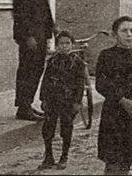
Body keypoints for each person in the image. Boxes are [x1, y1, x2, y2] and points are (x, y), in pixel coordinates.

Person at [96, 16, 132, 175]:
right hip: (114, 113)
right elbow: (101, 84)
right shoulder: (106, 56)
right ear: (115, 34)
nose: (129, 34)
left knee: (128, 157)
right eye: (124, 31)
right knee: (113, 158)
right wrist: (121, 99)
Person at [12, 0, 55, 121]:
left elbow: (45, 9)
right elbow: (20, 14)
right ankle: (23, 107)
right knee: (27, 70)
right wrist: (28, 36)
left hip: (41, 34)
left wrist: (52, 28)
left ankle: (28, 103)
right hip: (30, 36)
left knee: (37, 69)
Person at [39, 30, 89, 170]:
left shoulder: (78, 63)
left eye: (67, 43)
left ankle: (64, 156)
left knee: (66, 127)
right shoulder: (52, 61)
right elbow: (46, 80)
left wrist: (77, 102)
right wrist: (43, 98)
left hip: (68, 100)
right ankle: (48, 156)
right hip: (52, 99)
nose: (64, 46)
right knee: (48, 127)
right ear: (57, 45)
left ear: (72, 45)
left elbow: (80, 84)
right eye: (61, 44)